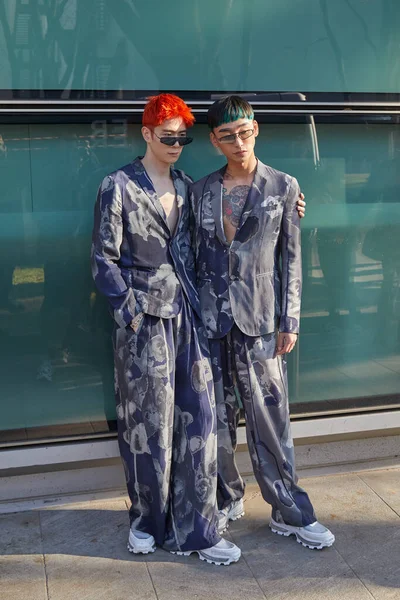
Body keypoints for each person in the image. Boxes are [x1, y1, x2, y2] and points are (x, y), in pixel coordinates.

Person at [91, 94, 241, 565]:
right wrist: (132, 315)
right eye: (167, 136)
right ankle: (145, 520)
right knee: (147, 426)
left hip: (189, 316)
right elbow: (103, 259)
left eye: (183, 137)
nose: (176, 144)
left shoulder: (188, 185)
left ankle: (196, 526)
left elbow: (215, 242)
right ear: (146, 133)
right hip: (144, 323)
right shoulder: (117, 186)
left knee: (198, 419)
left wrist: (289, 206)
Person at [190, 95, 335, 550]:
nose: (238, 141)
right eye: (227, 135)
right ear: (215, 140)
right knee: (212, 419)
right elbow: (190, 256)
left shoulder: (284, 186)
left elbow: (292, 260)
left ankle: (289, 508)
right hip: (210, 323)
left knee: (270, 420)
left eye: (245, 131)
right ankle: (225, 496)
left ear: (257, 129)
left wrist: (290, 320)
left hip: (261, 323)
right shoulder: (200, 191)